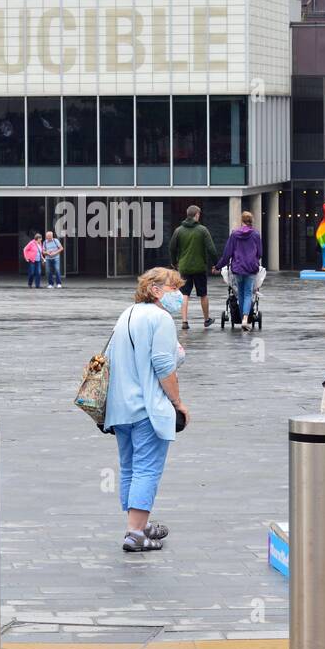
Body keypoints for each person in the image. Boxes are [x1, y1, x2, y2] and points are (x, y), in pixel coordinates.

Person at [104, 267, 190, 552]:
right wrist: (178, 403)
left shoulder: (126, 314)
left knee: (129, 467)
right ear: (155, 290)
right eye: (173, 288)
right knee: (147, 469)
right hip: (147, 407)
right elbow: (164, 366)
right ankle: (135, 532)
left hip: (120, 407)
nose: (178, 294)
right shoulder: (161, 318)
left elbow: (109, 358)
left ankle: (138, 523)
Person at [168, 204, 218, 330]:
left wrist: (174, 262)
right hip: (199, 267)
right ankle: (206, 319)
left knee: (185, 294)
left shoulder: (178, 230)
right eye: (199, 214)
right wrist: (216, 264)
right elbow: (211, 249)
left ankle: (184, 322)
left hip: (184, 267)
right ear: (196, 215)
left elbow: (172, 248)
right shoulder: (202, 230)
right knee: (203, 294)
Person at [215, 210, 262, 331]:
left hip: (238, 268)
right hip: (251, 268)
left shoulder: (234, 235)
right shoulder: (256, 235)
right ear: (251, 221)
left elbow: (227, 254)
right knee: (248, 294)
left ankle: (242, 319)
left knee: (240, 294)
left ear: (242, 221)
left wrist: (218, 267)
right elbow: (260, 253)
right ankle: (245, 319)